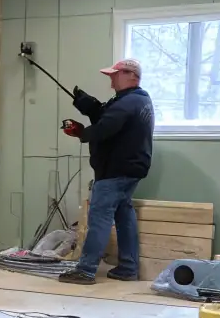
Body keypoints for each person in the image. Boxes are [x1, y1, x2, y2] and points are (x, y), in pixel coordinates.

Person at [59, 58, 155, 285]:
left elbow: (105, 127)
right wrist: (90, 106)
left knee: (99, 217)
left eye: (115, 75)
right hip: (131, 169)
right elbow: (108, 115)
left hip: (115, 170)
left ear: (131, 75)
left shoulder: (128, 102)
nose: (111, 81)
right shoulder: (137, 100)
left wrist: (81, 133)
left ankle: (85, 270)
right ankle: (128, 268)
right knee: (124, 215)